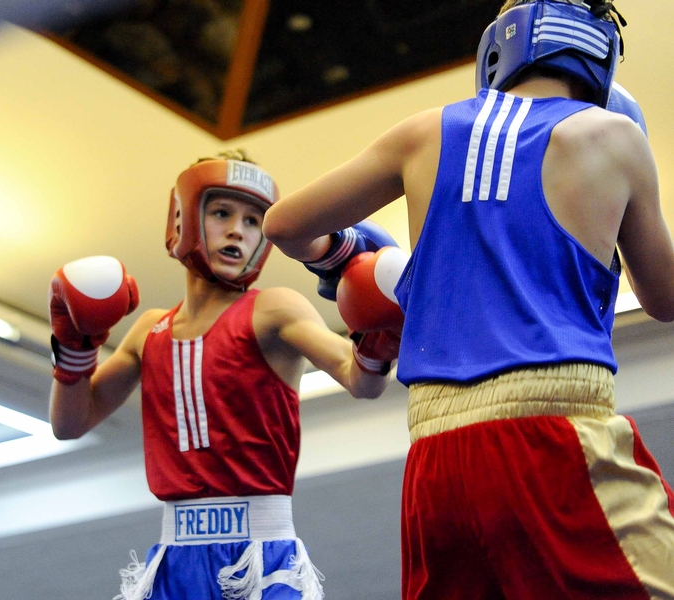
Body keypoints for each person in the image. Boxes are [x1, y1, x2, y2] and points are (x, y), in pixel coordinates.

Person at [262, 1, 674, 598]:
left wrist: (349, 255)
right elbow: (662, 299)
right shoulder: (613, 133)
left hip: (436, 458)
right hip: (554, 433)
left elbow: (282, 226)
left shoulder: (424, 130)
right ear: (601, 53)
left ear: (498, 47)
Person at [47, 149, 403, 600]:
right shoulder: (149, 330)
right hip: (174, 560)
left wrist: (378, 341)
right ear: (182, 220)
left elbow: (362, 382)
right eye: (221, 212)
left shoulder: (273, 308)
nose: (238, 229)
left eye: (254, 221)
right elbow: (69, 423)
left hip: (261, 556)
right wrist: (74, 347)